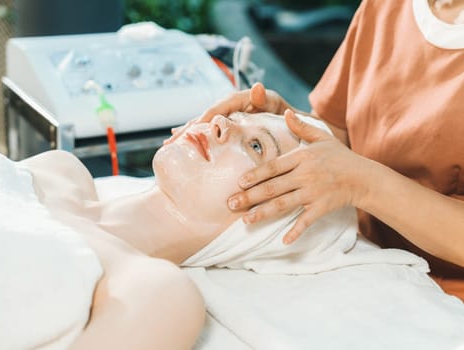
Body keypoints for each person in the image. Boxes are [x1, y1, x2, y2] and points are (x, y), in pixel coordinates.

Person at [168, 0, 464, 301]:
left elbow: (354, 175)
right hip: (361, 261)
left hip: (445, 299)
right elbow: (336, 130)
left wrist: (364, 184)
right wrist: (286, 125)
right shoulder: (388, 7)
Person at [0, 112, 302, 350]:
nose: (223, 122)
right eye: (238, 116)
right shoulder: (61, 169)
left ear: (269, 219)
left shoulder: (156, 293)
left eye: (257, 146)